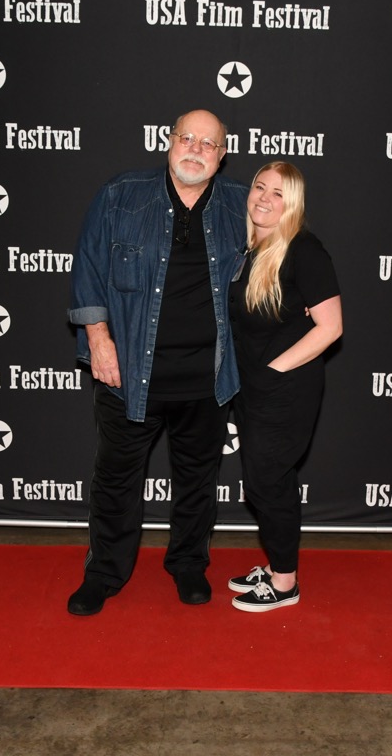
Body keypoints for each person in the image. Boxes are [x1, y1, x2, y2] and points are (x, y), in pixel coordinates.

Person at [66, 109, 249, 615]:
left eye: (208, 144)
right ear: (168, 143)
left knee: (198, 480)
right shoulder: (121, 194)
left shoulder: (241, 206)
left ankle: (189, 565)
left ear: (222, 155)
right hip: (129, 376)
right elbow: (88, 268)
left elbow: (274, 268)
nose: (195, 149)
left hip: (208, 379)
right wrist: (98, 340)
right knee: (116, 480)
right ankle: (104, 573)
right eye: (186, 138)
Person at [226, 161, 342, 612]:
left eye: (278, 193)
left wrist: (275, 371)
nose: (264, 198)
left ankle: (284, 583)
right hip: (254, 390)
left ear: (291, 203)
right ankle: (277, 564)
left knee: (267, 483)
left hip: (286, 391)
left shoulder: (305, 251)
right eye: (259, 187)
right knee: (263, 482)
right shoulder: (253, 250)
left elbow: (330, 327)